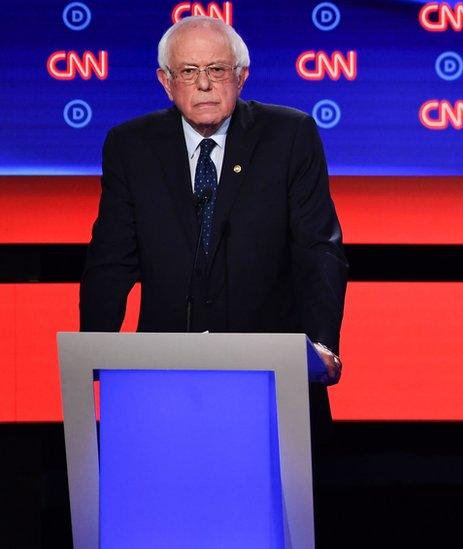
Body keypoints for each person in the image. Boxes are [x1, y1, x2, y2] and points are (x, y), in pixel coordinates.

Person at [78, 14, 347, 509]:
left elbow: (318, 248)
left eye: (218, 70)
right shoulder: (130, 146)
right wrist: (93, 347)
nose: (203, 84)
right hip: (163, 377)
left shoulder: (289, 136)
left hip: (267, 375)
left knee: (273, 511)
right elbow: (110, 259)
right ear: (165, 80)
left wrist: (323, 343)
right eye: (188, 71)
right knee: (165, 510)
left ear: (242, 77)